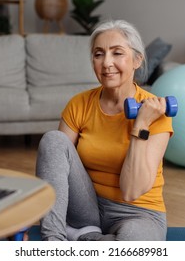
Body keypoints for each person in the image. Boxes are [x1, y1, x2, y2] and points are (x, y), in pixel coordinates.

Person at [36, 19, 173, 241]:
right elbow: (57, 165)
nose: (107, 62)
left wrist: (141, 125)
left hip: (138, 213)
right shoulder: (79, 104)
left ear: (137, 60)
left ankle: (85, 238)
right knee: (54, 140)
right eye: (99, 54)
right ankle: (53, 243)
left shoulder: (155, 111)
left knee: (134, 242)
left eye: (117, 53)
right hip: (87, 208)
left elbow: (131, 191)